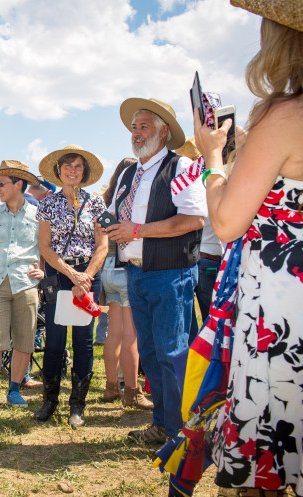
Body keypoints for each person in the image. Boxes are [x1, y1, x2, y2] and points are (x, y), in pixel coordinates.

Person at [195, 1, 303, 497]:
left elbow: (227, 220)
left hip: (281, 309)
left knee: (270, 451)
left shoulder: (284, 115)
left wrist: (214, 156)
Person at [104, 98, 205, 445]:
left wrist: (137, 231)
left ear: (163, 133)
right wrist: (110, 227)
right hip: (136, 272)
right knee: (150, 353)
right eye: (134, 127)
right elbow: (121, 218)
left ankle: (181, 433)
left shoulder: (182, 167)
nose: (136, 133)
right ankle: (163, 424)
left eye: (144, 125)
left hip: (171, 273)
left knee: (171, 353)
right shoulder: (130, 173)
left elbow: (193, 220)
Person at [34, 145, 107, 428]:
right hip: (58, 274)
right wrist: (70, 275)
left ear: (84, 172)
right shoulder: (47, 204)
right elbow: (44, 246)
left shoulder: (97, 203)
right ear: (59, 170)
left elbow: (102, 246)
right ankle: (49, 400)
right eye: (68, 166)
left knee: (84, 342)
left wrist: (85, 276)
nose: (72, 170)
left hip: (89, 274)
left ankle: (77, 404)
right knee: (53, 340)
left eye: (78, 166)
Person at [0, 161, 44, 409]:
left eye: (1, 183)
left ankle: (15, 391)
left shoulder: (38, 216)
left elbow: (45, 246)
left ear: (18, 184)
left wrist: (43, 271)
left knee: (25, 340)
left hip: (26, 284)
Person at [98, 157, 152, 409]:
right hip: (125, 266)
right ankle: (132, 391)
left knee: (113, 332)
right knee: (131, 335)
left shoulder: (108, 199)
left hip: (107, 269)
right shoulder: (131, 199)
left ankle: (111, 387)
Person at [176, 138, 225, 344]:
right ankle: (212, 366)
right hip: (210, 258)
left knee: (188, 324)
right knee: (212, 319)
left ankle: (195, 366)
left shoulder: (185, 187)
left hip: (187, 260)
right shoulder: (212, 184)